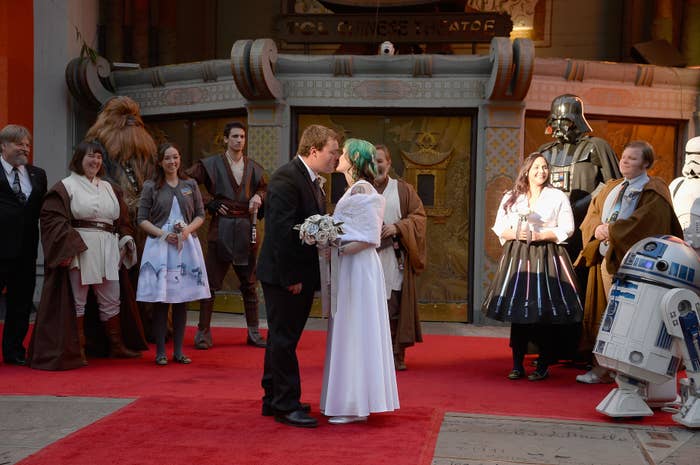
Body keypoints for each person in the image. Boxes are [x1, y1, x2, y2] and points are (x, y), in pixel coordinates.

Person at [29, 140, 147, 370]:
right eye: (90, 156)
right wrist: (69, 246)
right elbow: (52, 218)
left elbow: (122, 220)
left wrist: (126, 238)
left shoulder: (110, 188)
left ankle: (116, 345)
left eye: (99, 157)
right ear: (79, 159)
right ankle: (78, 349)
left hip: (108, 248)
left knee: (111, 299)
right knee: (78, 301)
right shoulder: (66, 186)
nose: (95, 161)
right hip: (80, 248)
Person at [575, 140, 683, 383]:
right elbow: (591, 216)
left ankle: (627, 373)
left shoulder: (654, 190)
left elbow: (646, 222)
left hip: (634, 266)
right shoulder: (611, 187)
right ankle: (601, 368)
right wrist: (598, 229)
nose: (625, 161)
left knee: (629, 319)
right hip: (605, 259)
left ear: (646, 163)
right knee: (604, 315)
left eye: (632, 158)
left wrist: (612, 230)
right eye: (623, 157)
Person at [257, 124, 340, 428]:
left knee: (281, 338)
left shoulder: (313, 180)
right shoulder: (286, 178)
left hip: (296, 273)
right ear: (314, 150)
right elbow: (280, 232)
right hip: (285, 275)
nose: (337, 157)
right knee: (284, 340)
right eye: (333, 151)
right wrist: (290, 276)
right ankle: (286, 405)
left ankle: (272, 398)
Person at [482, 152, 582, 381]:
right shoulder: (512, 196)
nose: (541, 171)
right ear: (526, 170)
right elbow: (500, 228)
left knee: (543, 311)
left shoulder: (557, 196)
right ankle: (517, 364)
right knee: (519, 310)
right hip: (518, 253)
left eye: (545, 167)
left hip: (547, 253)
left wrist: (540, 235)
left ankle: (543, 364)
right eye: (536, 167)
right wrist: (519, 233)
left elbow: (567, 228)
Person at [320, 138, 399, 424]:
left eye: (343, 153)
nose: (339, 156)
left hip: (359, 267)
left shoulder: (363, 189)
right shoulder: (354, 189)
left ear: (353, 158)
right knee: (350, 328)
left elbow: (368, 238)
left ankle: (353, 403)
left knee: (354, 328)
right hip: (351, 265)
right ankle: (351, 399)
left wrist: (332, 242)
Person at [537, 94, 620, 363]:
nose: (560, 127)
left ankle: (581, 349)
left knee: (583, 289)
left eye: (564, 121)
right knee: (551, 288)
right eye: (556, 121)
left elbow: (612, 186)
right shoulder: (545, 152)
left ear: (575, 120)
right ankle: (549, 349)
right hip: (552, 233)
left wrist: (581, 206)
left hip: (585, 231)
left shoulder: (597, 147)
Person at [84, 96, 160, 341]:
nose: (130, 123)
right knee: (115, 282)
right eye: (122, 117)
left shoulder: (148, 150)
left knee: (147, 276)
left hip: (146, 225)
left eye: (133, 118)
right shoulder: (97, 148)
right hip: (112, 227)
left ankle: (148, 328)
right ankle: (116, 335)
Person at [186, 122, 267, 349]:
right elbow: (185, 182)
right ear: (225, 139)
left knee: (249, 284)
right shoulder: (210, 164)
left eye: (242, 136)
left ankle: (253, 332)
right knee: (210, 285)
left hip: (246, 228)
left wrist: (259, 196)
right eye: (234, 136)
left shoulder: (254, 168)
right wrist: (208, 202)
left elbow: (265, 188)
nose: (239, 140)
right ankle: (203, 332)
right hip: (220, 229)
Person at [136, 143, 210, 366]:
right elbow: (141, 219)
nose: (172, 162)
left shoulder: (190, 184)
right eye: (167, 158)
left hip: (185, 247)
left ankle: (178, 351)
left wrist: (187, 230)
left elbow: (200, 214)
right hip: (160, 247)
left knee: (181, 300)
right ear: (160, 162)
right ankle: (160, 351)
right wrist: (162, 234)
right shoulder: (151, 186)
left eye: (175, 157)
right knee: (162, 301)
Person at [373, 144, 427, 371]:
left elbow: (419, 218)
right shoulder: (360, 189)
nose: (377, 166)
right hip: (367, 256)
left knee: (394, 305)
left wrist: (398, 227)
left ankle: (396, 354)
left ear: (389, 163)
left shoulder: (403, 189)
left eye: (380, 161)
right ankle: (373, 357)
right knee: (371, 308)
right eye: (373, 162)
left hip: (393, 256)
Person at [0, 125, 47, 366]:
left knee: (20, 305)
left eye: (27, 144)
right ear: (4, 145)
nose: (25, 148)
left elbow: (43, 212)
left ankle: (14, 351)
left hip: (26, 252)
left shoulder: (38, 174)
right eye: (20, 144)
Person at [669, 136, 700, 256]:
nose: (693, 160)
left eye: (698, 155)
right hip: (678, 251)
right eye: (690, 154)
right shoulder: (678, 184)